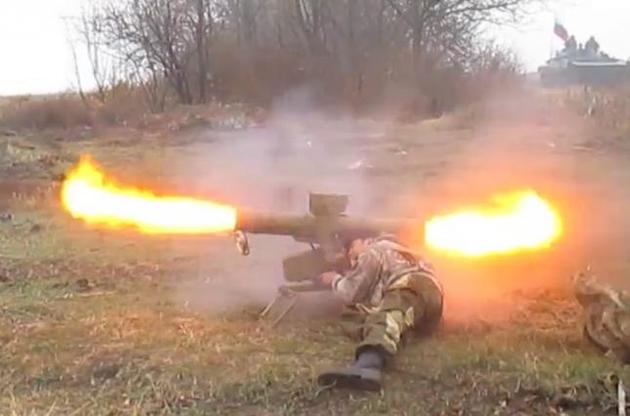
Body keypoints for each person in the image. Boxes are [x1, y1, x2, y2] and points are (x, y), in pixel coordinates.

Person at [315, 235, 444, 391]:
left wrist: (334, 279)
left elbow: (352, 292)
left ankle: (368, 365)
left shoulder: (373, 250)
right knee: (380, 317)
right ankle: (383, 345)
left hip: (410, 286)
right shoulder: (401, 252)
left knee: (385, 318)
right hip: (430, 300)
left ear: (362, 240)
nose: (351, 257)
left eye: (351, 249)